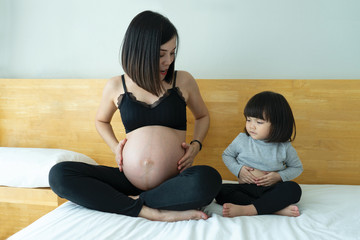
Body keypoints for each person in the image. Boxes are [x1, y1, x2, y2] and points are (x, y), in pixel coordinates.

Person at [49, 10, 221, 222]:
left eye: (173, 52)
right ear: (140, 51)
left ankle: (126, 201)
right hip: (127, 179)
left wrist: (196, 146)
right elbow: (101, 121)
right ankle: (148, 209)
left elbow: (202, 116)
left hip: (173, 181)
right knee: (59, 174)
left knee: (209, 179)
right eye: (161, 54)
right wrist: (115, 148)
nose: (168, 60)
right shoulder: (116, 85)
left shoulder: (183, 81)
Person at [215, 91, 303, 218]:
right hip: (246, 188)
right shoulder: (242, 139)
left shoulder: (284, 146)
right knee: (219, 191)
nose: (251, 126)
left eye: (259, 122)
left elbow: (297, 167)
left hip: (270, 190)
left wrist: (279, 176)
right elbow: (227, 155)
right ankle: (273, 209)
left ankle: (248, 210)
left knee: (293, 189)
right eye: (249, 120)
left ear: (278, 124)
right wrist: (239, 170)